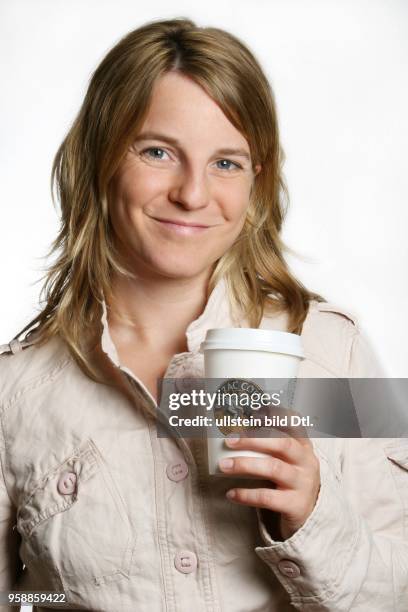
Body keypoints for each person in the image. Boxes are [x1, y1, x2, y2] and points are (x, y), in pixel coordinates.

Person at [0, 17, 406, 612]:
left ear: (256, 181)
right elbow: (19, 599)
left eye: (226, 163)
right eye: (158, 151)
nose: (192, 194)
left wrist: (313, 513)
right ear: (100, 159)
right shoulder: (16, 393)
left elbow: (399, 585)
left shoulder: (329, 349)